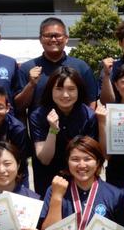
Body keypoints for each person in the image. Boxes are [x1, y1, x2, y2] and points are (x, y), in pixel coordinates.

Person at [29, 66, 97, 198]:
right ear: (50, 90)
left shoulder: (89, 116)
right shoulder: (38, 115)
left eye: (71, 89)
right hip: (48, 179)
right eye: (59, 89)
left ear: (79, 91)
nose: (65, 95)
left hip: (80, 177)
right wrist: (53, 130)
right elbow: (45, 159)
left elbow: (90, 156)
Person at [15, 17, 98, 115]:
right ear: (40, 39)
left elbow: (92, 101)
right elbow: (19, 106)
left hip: (76, 128)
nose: (53, 39)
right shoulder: (27, 68)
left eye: (57, 35)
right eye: (48, 36)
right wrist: (31, 84)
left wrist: (88, 124)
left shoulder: (81, 67)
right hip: (40, 128)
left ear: (66, 38)